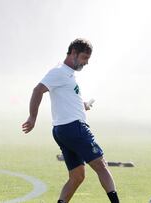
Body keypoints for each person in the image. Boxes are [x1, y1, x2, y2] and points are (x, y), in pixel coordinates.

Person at [22, 38, 120, 203]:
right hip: (74, 128)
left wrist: (83, 106)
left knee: (77, 176)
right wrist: (32, 117)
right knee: (101, 165)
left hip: (62, 131)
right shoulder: (59, 71)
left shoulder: (68, 75)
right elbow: (38, 90)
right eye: (84, 58)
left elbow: (66, 99)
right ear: (73, 53)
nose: (86, 63)